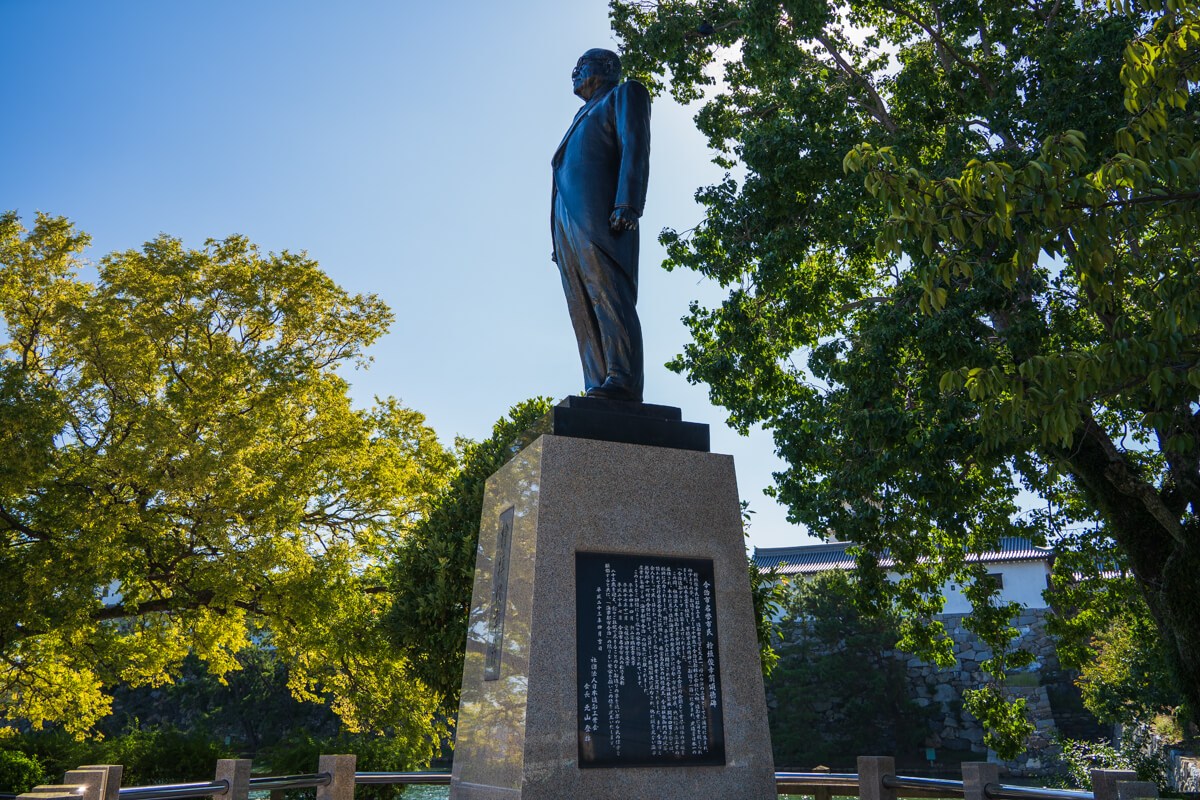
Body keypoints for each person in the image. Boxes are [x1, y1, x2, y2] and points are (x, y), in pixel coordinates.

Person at [551, 48, 651, 403]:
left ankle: (622, 378)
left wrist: (628, 203)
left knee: (609, 294)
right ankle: (597, 381)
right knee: (582, 303)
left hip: (602, 215)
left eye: (582, 65)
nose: (574, 72)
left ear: (607, 67)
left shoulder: (624, 94)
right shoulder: (580, 115)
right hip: (568, 222)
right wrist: (557, 237)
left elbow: (635, 146)